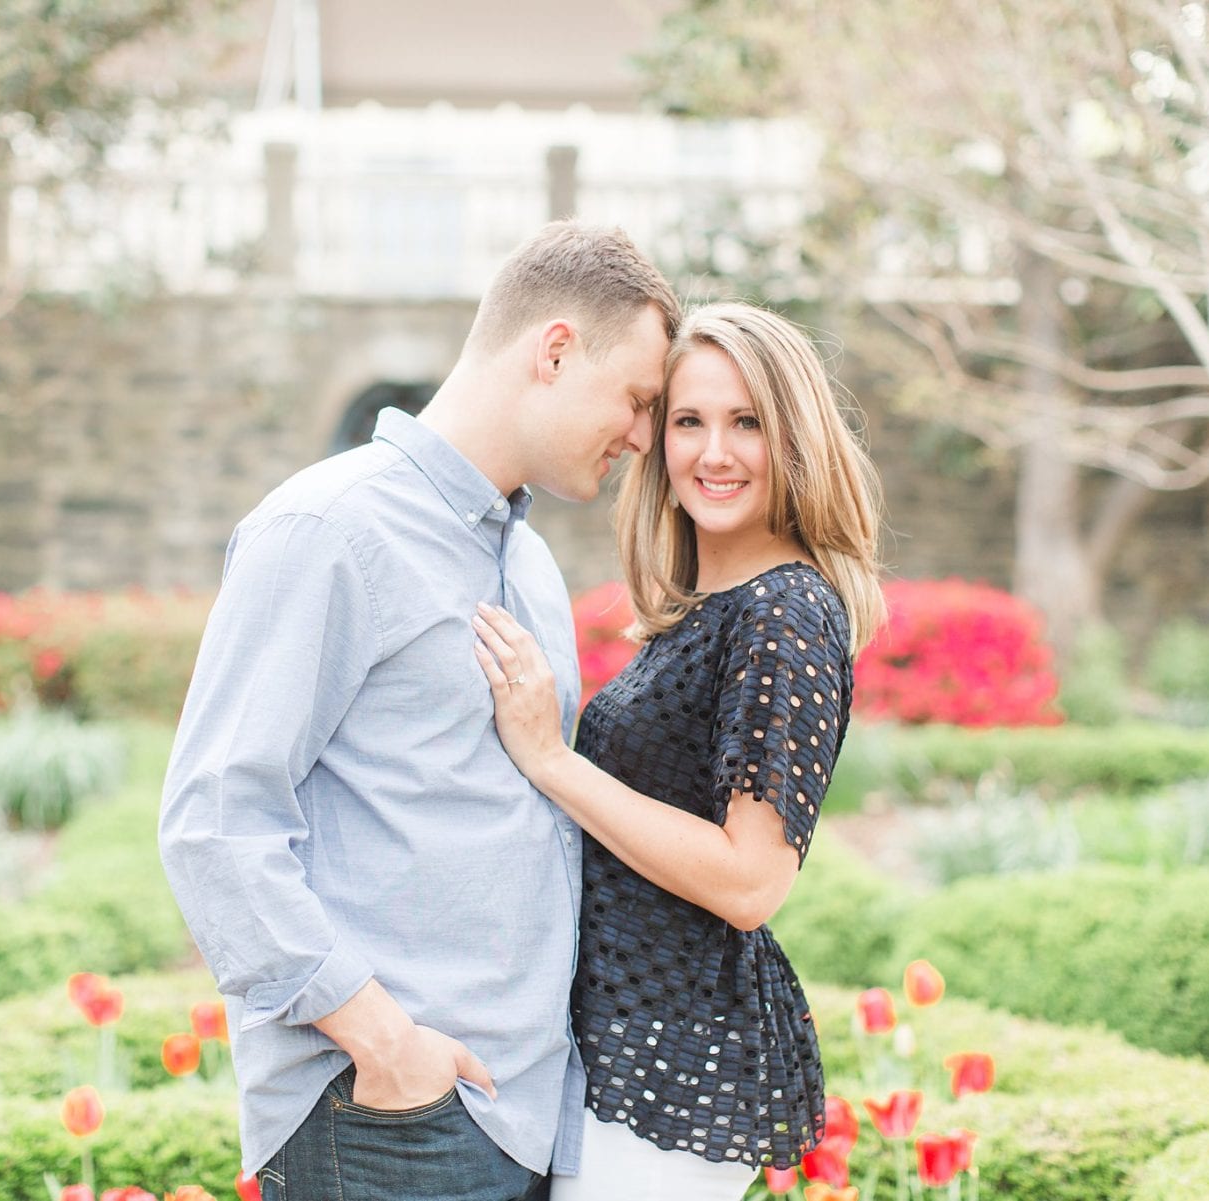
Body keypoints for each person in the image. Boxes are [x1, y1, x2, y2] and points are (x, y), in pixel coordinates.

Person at [157, 220, 681, 1201]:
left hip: (522, 1115)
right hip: (387, 1122)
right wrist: (388, 1046)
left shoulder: (526, 560)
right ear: (555, 348)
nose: (646, 436)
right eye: (640, 399)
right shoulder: (327, 529)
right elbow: (215, 820)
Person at [472, 301, 885, 1200]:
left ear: (796, 438)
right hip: (627, 1043)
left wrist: (554, 762)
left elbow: (751, 881)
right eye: (689, 421)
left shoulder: (784, 613)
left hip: (679, 1059)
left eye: (748, 423)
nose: (714, 452)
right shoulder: (710, 605)